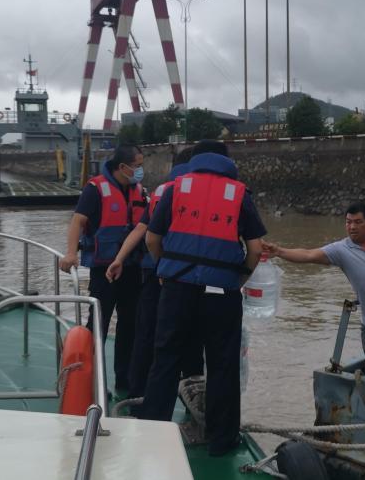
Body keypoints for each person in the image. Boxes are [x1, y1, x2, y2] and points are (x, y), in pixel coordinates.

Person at [140, 142, 266, 457]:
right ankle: (221, 440)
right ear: (227, 162)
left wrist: (164, 269)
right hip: (221, 294)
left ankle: (153, 431)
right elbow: (256, 248)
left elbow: (152, 238)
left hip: (176, 287)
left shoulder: (176, 188)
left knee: (166, 358)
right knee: (222, 364)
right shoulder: (240, 194)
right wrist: (239, 278)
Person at [263, 202, 365, 390]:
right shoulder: (341, 250)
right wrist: (279, 251)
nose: (352, 227)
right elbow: (309, 254)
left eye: (358, 222)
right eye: (348, 222)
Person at [105, 147, 198, 408]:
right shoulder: (200, 192)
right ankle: (194, 399)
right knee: (190, 340)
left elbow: (143, 230)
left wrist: (119, 259)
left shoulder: (161, 191)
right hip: (186, 278)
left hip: (155, 272)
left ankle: (138, 396)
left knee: (147, 335)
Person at [59, 145, 147, 393]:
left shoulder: (139, 191)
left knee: (130, 325)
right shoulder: (95, 189)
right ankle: (88, 379)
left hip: (132, 267)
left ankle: (124, 380)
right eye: (137, 165)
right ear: (123, 167)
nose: (140, 170)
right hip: (103, 269)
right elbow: (78, 220)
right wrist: (70, 253)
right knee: (98, 323)